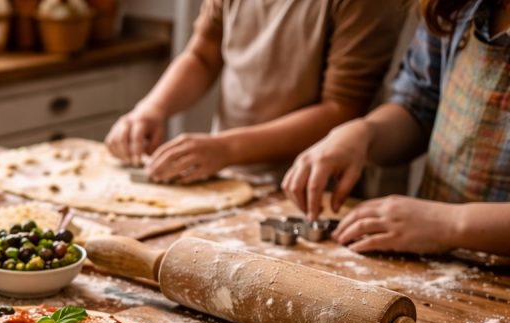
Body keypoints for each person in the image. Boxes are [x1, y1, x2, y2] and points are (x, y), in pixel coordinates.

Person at [284, 0, 510, 256]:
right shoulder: (455, 6)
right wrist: (365, 133)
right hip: (440, 259)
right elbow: (419, 107)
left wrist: (450, 224)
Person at [105, 1, 408, 184]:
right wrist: (152, 108)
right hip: (227, 170)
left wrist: (226, 149)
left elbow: (342, 110)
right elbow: (203, 54)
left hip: (316, 185)